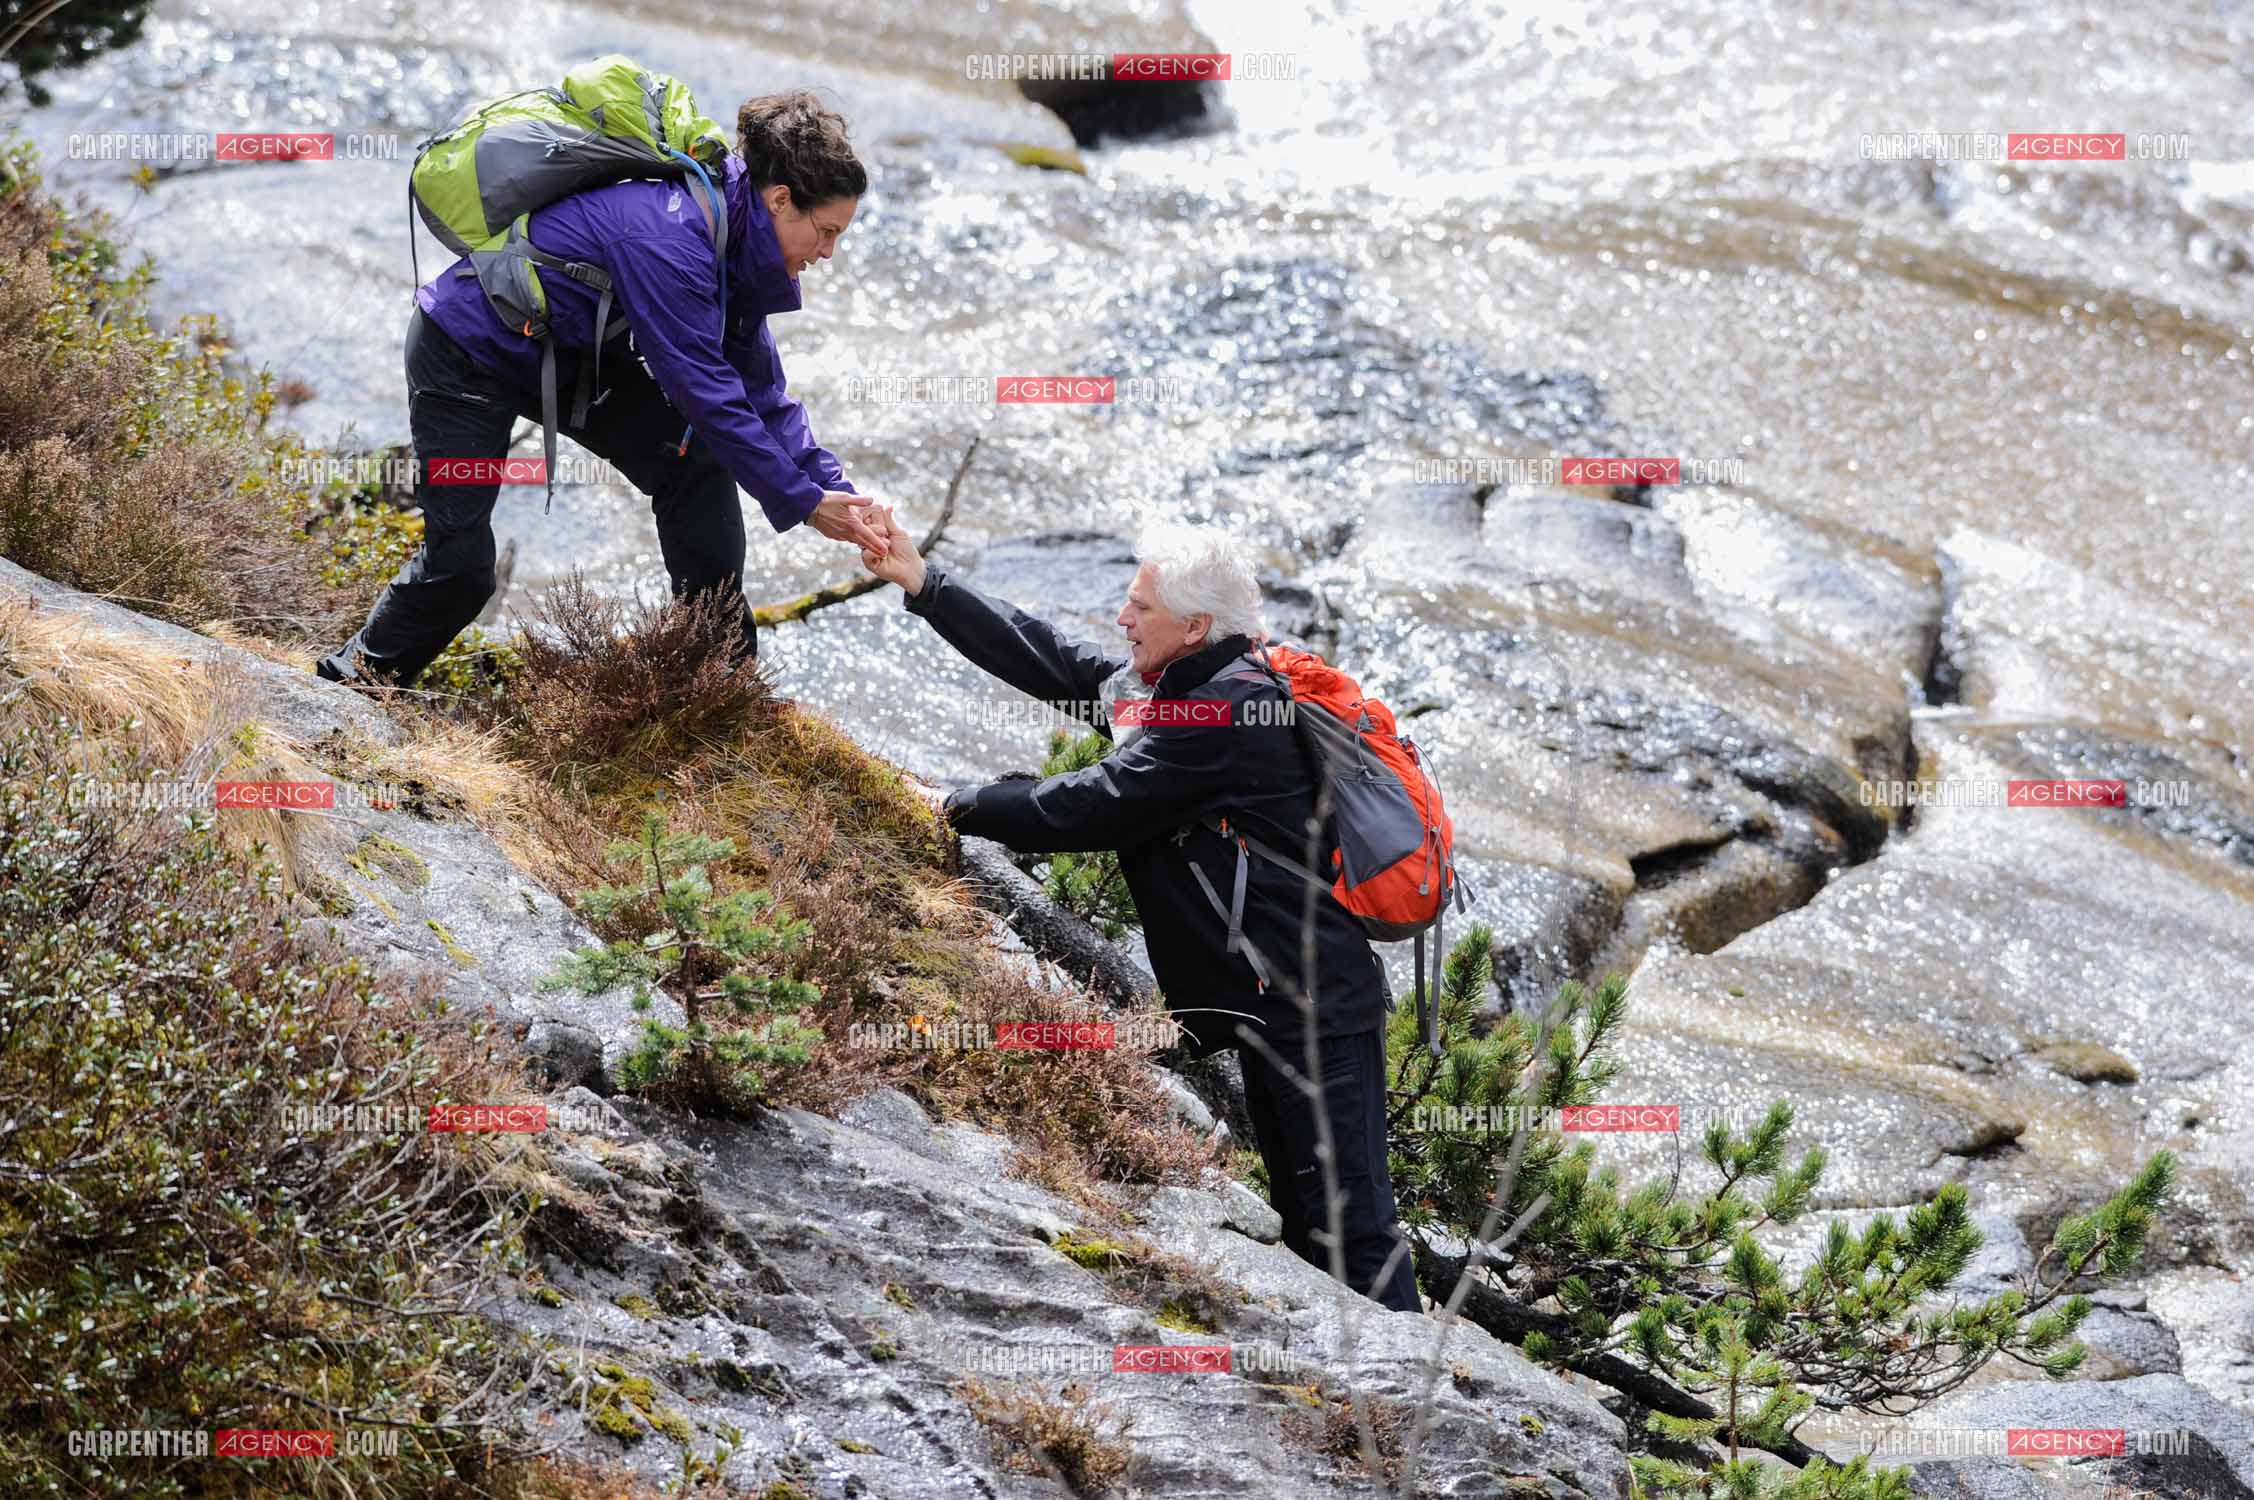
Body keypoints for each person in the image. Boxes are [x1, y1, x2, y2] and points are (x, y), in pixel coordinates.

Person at [859, 509, 1423, 1314]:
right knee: (1313, 1222)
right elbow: (1056, 661)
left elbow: (1096, 805)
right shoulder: (1184, 685)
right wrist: (926, 582)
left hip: (1315, 1012)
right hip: (1275, 1007)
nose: (1122, 620)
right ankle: (1350, 1408)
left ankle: (1401, 1421)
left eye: (1140, 609)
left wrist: (955, 804)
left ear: (1195, 627)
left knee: (1353, 1230)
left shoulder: (1225, 713)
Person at [319, 89, 887, 688]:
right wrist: (801, 503)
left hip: (566, 356)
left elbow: (762, 392)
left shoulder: (737, 237)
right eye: (826, 233)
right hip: (468, 352)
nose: (828, 253)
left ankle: (721, 683)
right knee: (462, 572)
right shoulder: (669, 237)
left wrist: (837, 494)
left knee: (695, 461)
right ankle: (346, 688)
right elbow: (706, 390)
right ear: (780, 200)